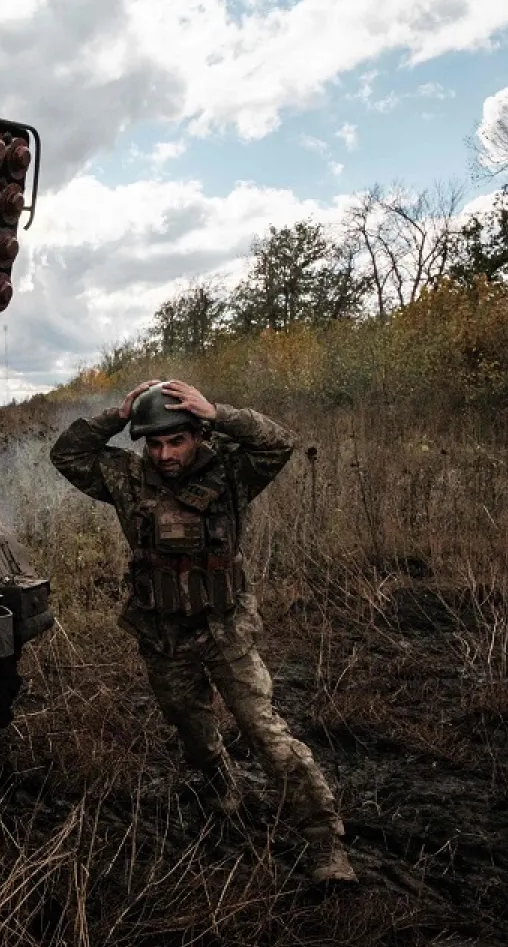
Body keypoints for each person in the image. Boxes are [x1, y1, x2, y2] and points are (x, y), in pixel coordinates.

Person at [50, 379, 356, 885]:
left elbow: (277, 442)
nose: (165, 454)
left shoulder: (232, 472)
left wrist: (220, 413)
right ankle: (221, 792)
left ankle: (325, 841)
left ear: (197, 435)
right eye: (155, 443)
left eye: (177, 441)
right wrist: (118, 414)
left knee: (266, 733)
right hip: (163, 633)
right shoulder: (129, 478)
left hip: (224, 630)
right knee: (192, 731)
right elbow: (68, 454)